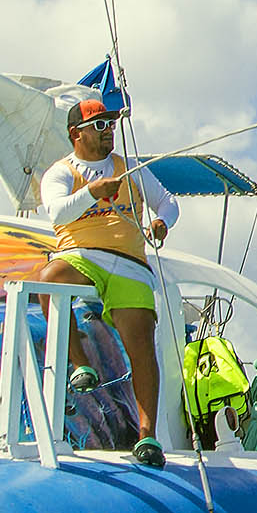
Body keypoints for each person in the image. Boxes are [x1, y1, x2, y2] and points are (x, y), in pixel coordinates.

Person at [33, 98, 178, 459]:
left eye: (110, 124)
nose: (108, 130)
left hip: (129, 262)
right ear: (75, 134)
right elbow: (57, 213)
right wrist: (93, 192)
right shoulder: (61, 172)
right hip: (83, 256)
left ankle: (147, 435)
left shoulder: (129, 169)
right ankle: (81, 363)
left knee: (141, 342)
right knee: (49, 278)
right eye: (99, 125)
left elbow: (168, 202)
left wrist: (162, 222)